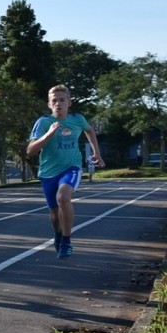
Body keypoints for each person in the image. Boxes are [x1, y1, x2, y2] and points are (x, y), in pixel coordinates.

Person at [26, 84, 103, 259]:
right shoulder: (44, 122)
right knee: (54, 214)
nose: (58, 104)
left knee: (63, 197)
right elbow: (30, 151)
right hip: (48, 172)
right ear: (49, 104)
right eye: (54, 101)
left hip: (71, 168)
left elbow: (89, 130)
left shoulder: (77, 120)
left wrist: (96, 152)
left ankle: (67, 241)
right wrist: (48, 135)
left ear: (69, 102)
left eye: (62, 100)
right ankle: (59, 234)